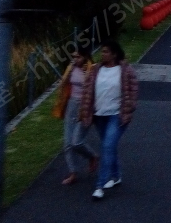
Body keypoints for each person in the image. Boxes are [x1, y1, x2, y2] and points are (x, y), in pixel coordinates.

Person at [80, 39, 139, 200]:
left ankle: (99, 186)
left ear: (114, 54)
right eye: (102, 51)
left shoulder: (125, 70)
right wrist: (85, 110)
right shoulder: (95, 70)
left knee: (107, 146)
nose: (102, 54)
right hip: (99, 115)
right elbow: (87, 90)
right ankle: (116, 176)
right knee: (109, 147)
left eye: (106, 51)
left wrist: (130, 107)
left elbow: (133, 89)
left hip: (117, 115)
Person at [57, 47, 99, 186]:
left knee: (76, 142)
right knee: (67, 143)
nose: (75, 59)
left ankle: (92, 156)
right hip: (71, 105)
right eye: (74, 56)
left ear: (85, 57)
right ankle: (73, 172)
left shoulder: (92, 70)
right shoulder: (71, 67)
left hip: (86, 106)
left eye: (78, 57)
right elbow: (64, 84)